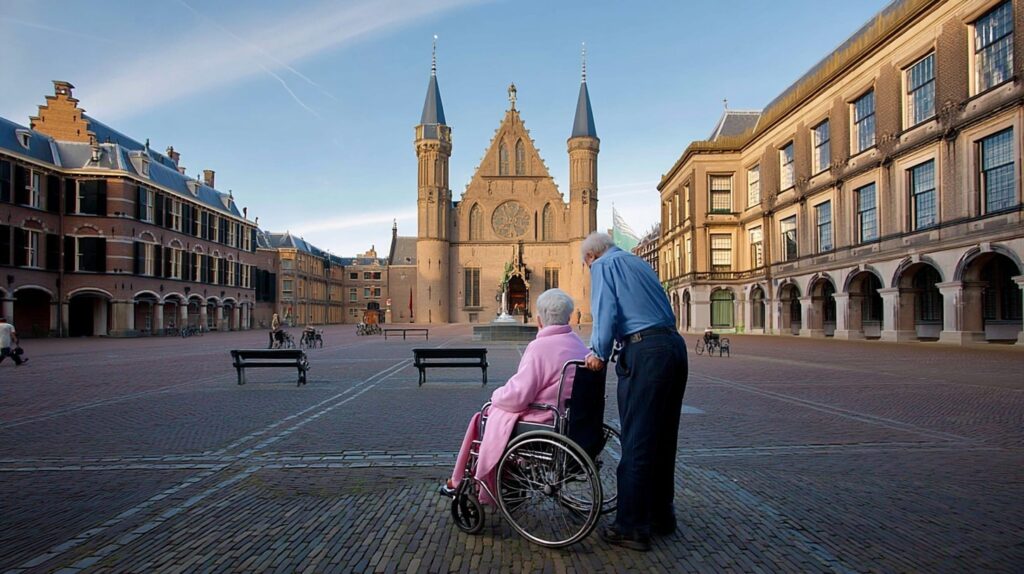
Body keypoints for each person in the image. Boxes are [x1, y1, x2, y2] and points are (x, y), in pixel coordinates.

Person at [582, 232, 687, 552]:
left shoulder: (603, 266)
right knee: (664, 437)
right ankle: (660, 515)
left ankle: (631, 527)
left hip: (645, 353)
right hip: (674, 348)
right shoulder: (637, 262)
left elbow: (605, 312)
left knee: (638, 439)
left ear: (591, 257)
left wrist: (597, 353)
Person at [440, 289, 589, 503]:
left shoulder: (540, 347)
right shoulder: (579, 345)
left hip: (544, 421)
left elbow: (518, 396)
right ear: (569, 317)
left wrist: (497, 395)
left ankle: (462, 481)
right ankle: (508, 478)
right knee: (494, 417)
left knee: (482, 417)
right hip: (571, 419)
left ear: (539, 320)